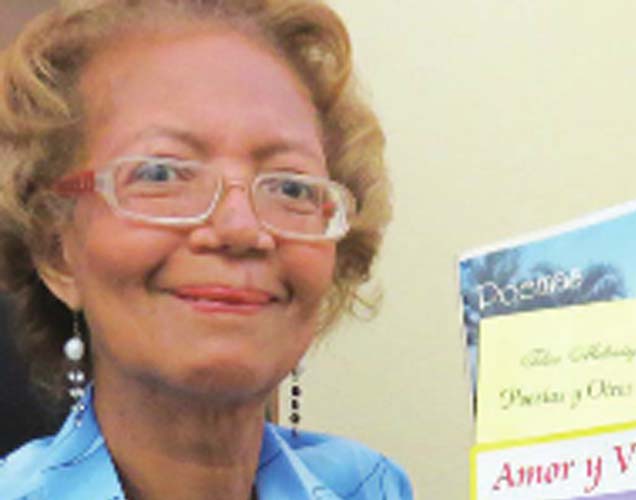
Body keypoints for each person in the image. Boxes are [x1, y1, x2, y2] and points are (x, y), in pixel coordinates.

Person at [0, 0, 412, 498]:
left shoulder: (371, 487)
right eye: (161, 173)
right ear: (55, 250)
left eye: (291, 187)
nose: (240, 228)